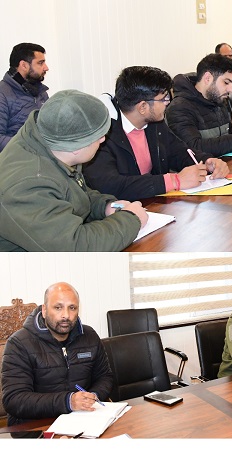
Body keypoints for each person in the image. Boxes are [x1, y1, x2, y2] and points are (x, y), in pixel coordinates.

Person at [0, 90, 145, 251]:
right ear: (76, 147)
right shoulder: (29, 186)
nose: (103, 139)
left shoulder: (49, 144)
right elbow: (75, 246)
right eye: (98, 136)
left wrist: (105, 206)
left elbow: (73, 191)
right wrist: (131, 219)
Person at [83, 66, 229, 201]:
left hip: (155, 204)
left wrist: (207, 162)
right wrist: (174, 181)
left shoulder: (154, 123)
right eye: (164, 99)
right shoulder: (102, 135)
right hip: (122, 212)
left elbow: (178, 152)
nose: (168, 103)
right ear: (143, 107)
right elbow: (111, 186)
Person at [1, 282, 113, 426]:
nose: (66, 315)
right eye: (58, 307)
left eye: (72, 308)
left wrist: (93, 396)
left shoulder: (89, 336)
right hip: (35, 426)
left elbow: (105, 376)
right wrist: (68, 402)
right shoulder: (18, 343)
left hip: (84, 420)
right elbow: (14, 399)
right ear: (44, 310)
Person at [167, 54, 232, 157]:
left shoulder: (218, 101)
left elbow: (230, 137)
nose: (231, 89)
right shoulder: (179, 108)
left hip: (225, 162)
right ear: (208, 78)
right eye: (226, 82)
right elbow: (194, 148)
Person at [1, 43, 49, 152]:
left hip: (44, 155)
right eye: (40, 63)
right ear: (24, 65)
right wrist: (32, 147)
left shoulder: (41, 92)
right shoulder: (2, 94)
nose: (46, 68)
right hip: (18, 157)